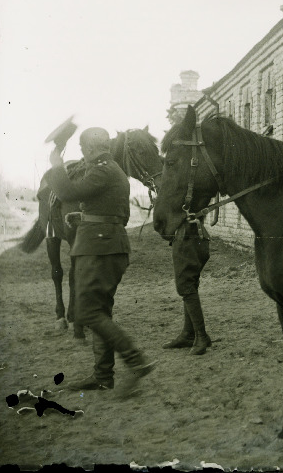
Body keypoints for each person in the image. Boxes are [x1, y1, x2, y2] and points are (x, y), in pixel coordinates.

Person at [45, 127, 156, 397]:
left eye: (83, 150)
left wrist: (57, 163)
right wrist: (82, 219)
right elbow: (112, 212)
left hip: (100, 250)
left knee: (87, 313)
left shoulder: (103, 169)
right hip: (104, 246)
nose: (82, 155)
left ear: (92, 148)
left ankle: (136, 361)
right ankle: (103, 376)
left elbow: (68, 192)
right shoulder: (111, 170)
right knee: (99, 311)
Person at [162, 219, 212, 355]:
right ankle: (188, 334)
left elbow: (160, 221)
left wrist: (168, 234)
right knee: (191, 285)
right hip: (201, 237)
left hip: (185, 238)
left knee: (185, 286)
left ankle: (201, 337)